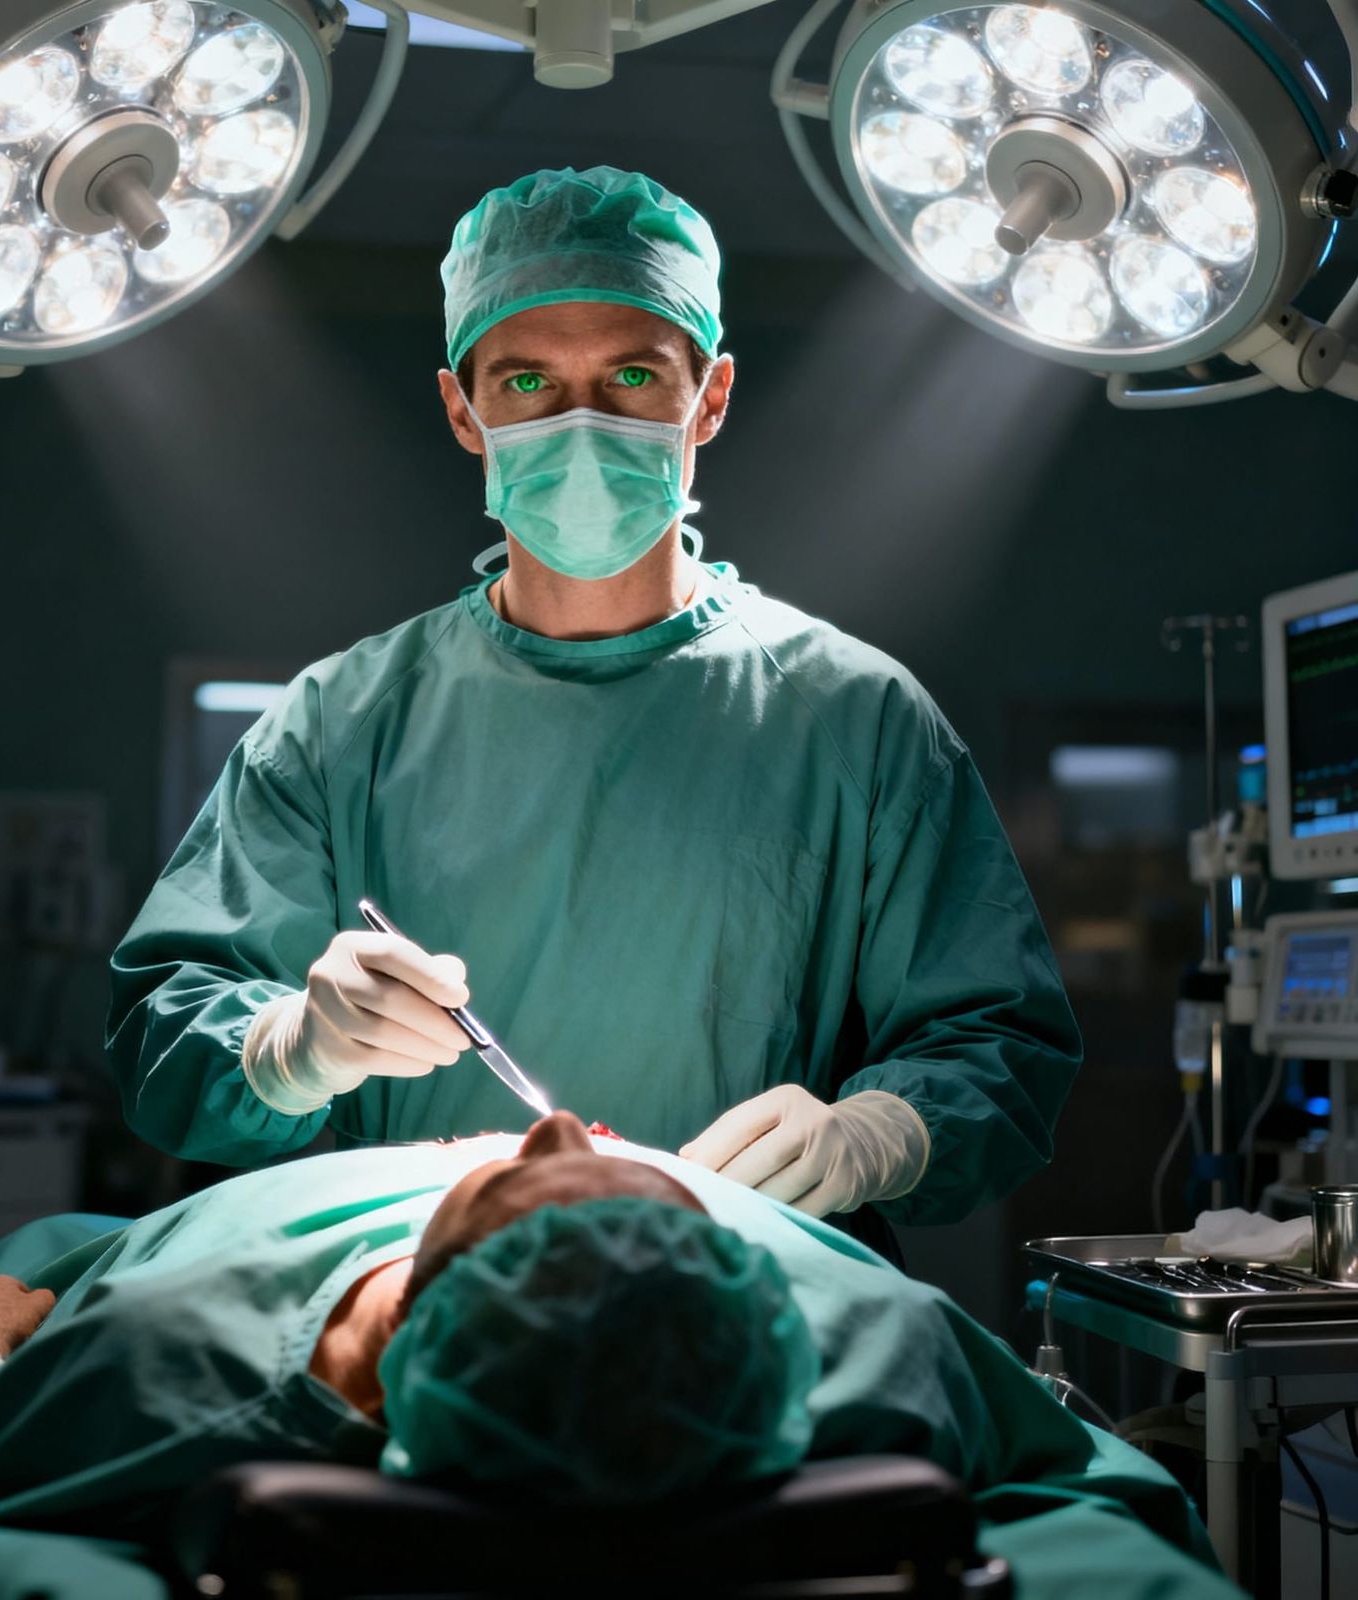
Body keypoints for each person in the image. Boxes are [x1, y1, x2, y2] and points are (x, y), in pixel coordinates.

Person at [108, 165, 1081, 1245]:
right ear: (461, 410)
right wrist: (290, 1048)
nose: (577, 420)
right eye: (524, 383)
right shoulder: (340, 724)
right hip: (423, 1297)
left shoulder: (855, 719)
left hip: (754, 1295)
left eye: (630, 375)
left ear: (707, 397)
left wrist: (877, 1130)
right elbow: (165, 1036)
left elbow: (998, 1043)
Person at [0, 1115, 1234, 1600]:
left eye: (518, 1185)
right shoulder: (875, 1337)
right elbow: (1103, 1493)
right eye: (630, 1175)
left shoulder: (175, 1355)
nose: (555, 1127)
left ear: (390, 1337)